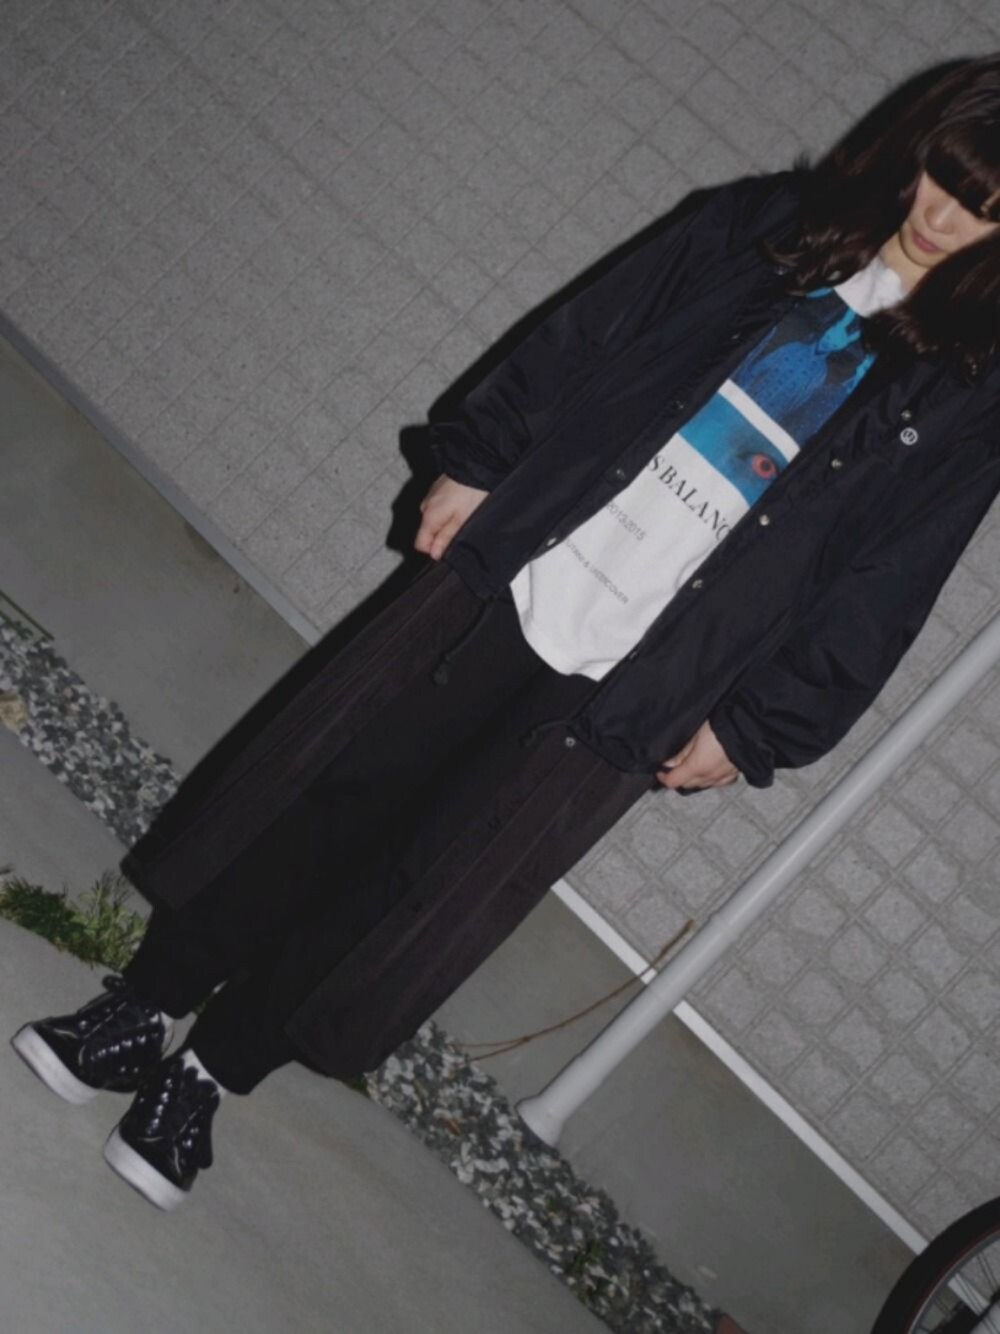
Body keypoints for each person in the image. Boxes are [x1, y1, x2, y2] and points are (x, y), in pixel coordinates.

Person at [12, 56, 1000, 1211]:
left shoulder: (964, 396)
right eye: (943, 177)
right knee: (327, 796)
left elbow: (889, 582)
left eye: (982, 210)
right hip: (519, 571)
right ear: (913, 142)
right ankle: (141, 1007)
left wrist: (756, 724)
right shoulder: (763, 229)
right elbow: (583, 332)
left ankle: (211, 1074)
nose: (943, 218)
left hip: (639, 676)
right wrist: (477, 458)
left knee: (415, 885)